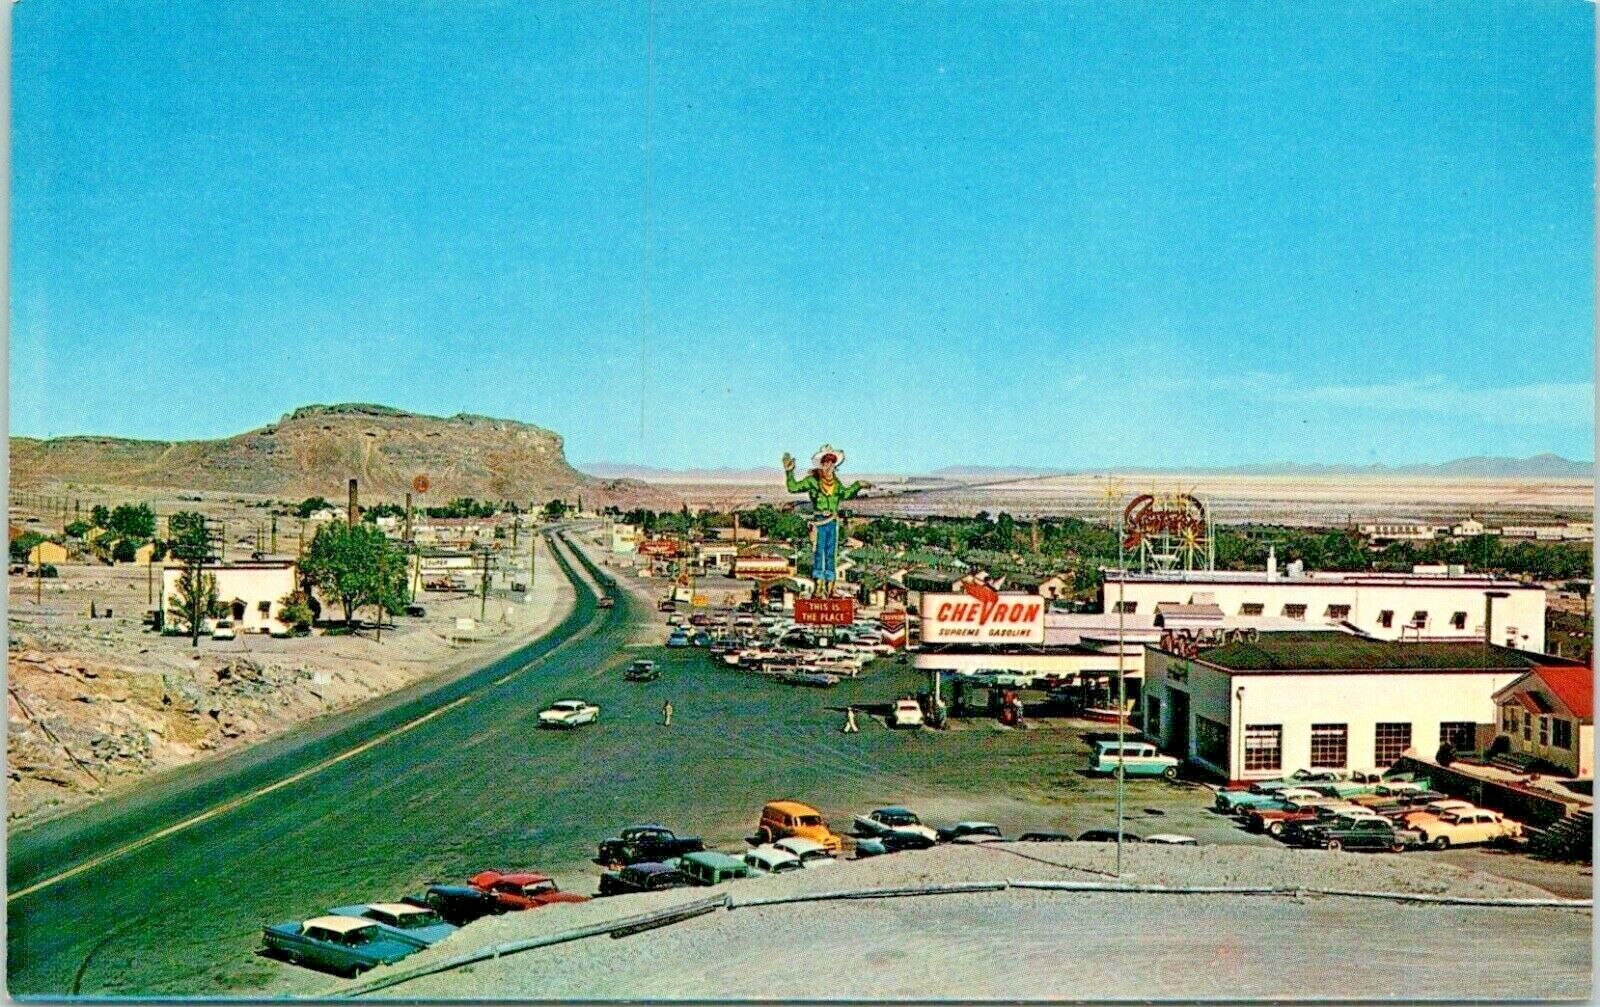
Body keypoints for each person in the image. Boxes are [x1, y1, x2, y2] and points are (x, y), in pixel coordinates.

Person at [782, 445, 871, 598]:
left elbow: (846, 494)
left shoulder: (836, 484)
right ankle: (818, 586)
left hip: (832, 522)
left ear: (834, 466)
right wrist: (789, 471)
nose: (828, 466)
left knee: (831, 554)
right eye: (825, 462)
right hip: (819, 522)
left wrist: (858, 485)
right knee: (818, 553)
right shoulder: (813, 481)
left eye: (831, 463)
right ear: (821, 464)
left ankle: (830, 587)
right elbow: (793, 488)